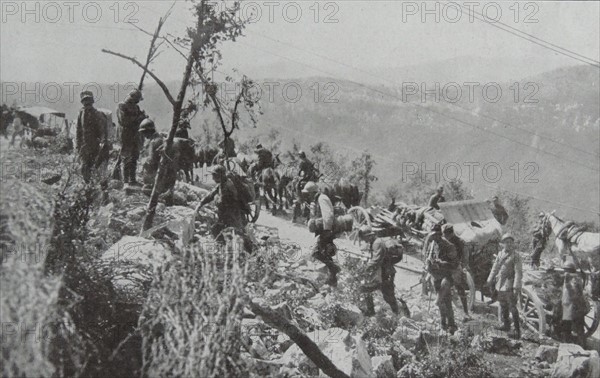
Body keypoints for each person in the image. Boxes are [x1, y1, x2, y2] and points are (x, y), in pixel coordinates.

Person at [197, 164, 251, 251]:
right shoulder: (223, 183)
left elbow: (222, 202)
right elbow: (212, 194)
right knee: (217, 231)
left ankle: (251, 252)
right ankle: (225, 250)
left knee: (239, 234)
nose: (213, 178)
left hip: (233, 215)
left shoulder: (227, 186)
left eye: (214, 175)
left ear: (220, 176)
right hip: (227, 214)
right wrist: (201, 203)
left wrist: (214, 203)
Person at [357, 225, 404, 316]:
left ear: (370, 236)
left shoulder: (377, 243)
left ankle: (397, 314)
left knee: (388, 296)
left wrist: (364, 269)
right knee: (365, 289)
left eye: (365, 238)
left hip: (385, 274)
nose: (365, 241)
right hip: (380, 273)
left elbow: (376, 260)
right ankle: (371, 311)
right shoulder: (375, 242)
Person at [304, 181, 341, 287]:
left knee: (316, 253)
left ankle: (334, 269)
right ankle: (332, 279)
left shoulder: (322, 198)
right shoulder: (317, 200)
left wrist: (327, 231)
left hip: (327, 231)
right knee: (325, 252)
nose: (308, 196)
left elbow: (328, 215)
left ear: (312, 192)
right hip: (325, 231)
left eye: (308, 193)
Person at [486, 233, 522, 339]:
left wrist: (516, 286)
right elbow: (495, 268)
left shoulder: (516, 256)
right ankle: (506, 325)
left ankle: (516, 330)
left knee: (512, 306)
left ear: (513, 244)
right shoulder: (501, 254)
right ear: (503, 244)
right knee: (503, 304)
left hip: (509, 283)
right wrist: (490, 279)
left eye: (510, 242)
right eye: (506, 242)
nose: (509, 244)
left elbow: (518, 272)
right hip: (500, 283)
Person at [426, 223, 459, 334]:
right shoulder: (432, 245)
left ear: (440, 234)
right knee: (441, 303)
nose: (433, 237)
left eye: (435, 235)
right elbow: (428, 257)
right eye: (432, 235)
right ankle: (443, 323)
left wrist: (441, 263)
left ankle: (452, 325)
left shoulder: (449, 246)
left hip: (446, 277)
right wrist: (428, 264)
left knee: (446, 300)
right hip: (436, 277)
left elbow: (454, 264)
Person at [139, 119, 177, 197]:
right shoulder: (160, 138)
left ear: (148, 131)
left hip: (161, 177)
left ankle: (161, 196)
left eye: (144, 132)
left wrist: (143, 162)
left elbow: (151, 161)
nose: (144, 135)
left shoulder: (154, 142)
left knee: (144, 190)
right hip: (168, 177)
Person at [76, 91, 108, 183]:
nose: (87, 104)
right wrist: (78, 145)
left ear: (92, 102)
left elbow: (102, 130)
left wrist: (102, 142)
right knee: (84, 167)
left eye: (89, 101)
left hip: (95, 145)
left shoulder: (98, 114)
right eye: (85, 102)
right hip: (84, 145)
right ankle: (87, 185)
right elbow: (79, 130)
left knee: (94, 166)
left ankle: (94, 186)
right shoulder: (81, 113)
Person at [117, 89, 146, 187]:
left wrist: (142, 117)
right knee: (126, 157)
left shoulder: (136, 107)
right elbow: (123, 121)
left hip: (135, 134)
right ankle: (126, 181)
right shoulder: (122, 106)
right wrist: (138, 119)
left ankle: (132, 179)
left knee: (134, 156)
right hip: (126, 134)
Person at [443, 224, 472, 322]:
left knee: (460, 289)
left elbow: (465, 253)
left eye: (447, 234)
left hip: (455, 267)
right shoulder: (445, 240)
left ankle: (466, 312)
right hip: (446, 266)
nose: (446, 236)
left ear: (451, 233)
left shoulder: (459, 241)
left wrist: (464, 264)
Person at [560, 258, 587, 348]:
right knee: (579, 327)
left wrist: (567, 282)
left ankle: (568, 344)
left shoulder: (572, 280)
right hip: (578, 306)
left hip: (571, 305)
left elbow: (572, 293)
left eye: (565, 270)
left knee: (567, 326)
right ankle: (581, 344)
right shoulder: (577, 278)